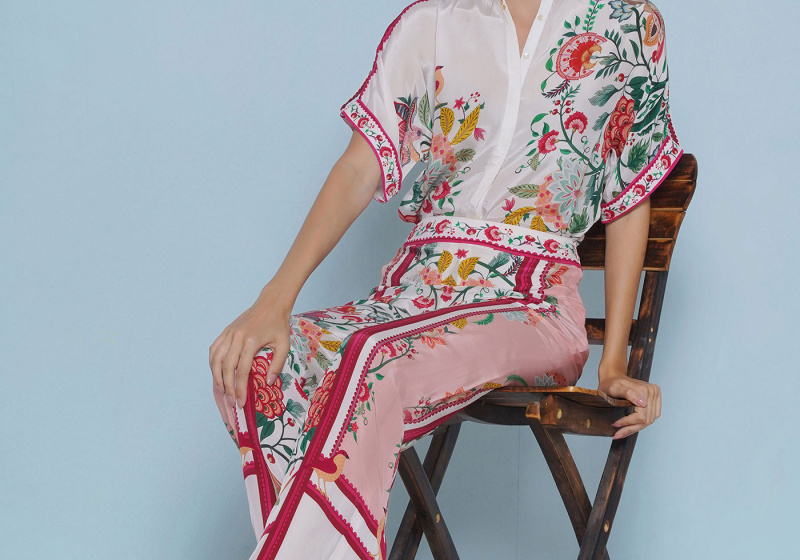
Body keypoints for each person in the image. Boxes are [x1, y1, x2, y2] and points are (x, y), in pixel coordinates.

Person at [209, 0, 680, 558]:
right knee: (260, 363)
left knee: (373, 361)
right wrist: (275, 299)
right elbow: (359, 167)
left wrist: (614, 362)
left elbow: (630, 194)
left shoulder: (626, 24)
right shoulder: (431, 22)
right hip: (413, 293)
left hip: (530, 302)